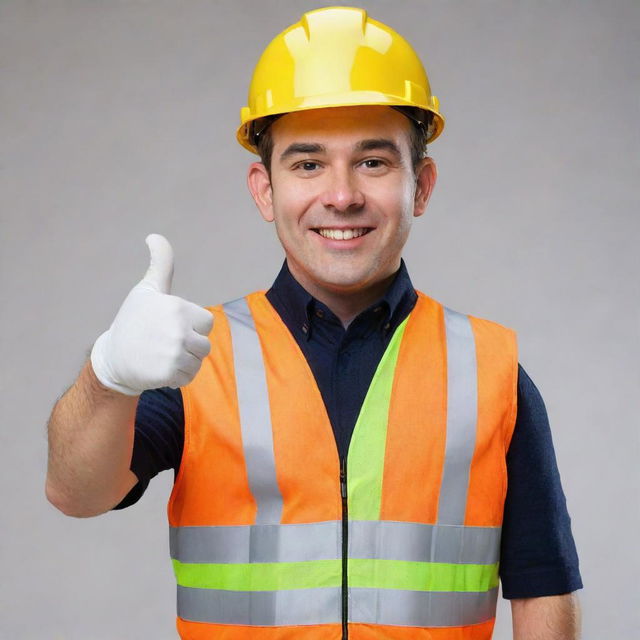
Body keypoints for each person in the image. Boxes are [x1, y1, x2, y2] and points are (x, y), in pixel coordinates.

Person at [46, 6, 582, 639]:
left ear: (422, 185)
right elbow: (76, 493)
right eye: (307, 164)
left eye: (373, 162)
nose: (342, 195)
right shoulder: (196, 358)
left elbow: (542, 588)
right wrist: (110, 375)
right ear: (264, 190)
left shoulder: (489, 370)